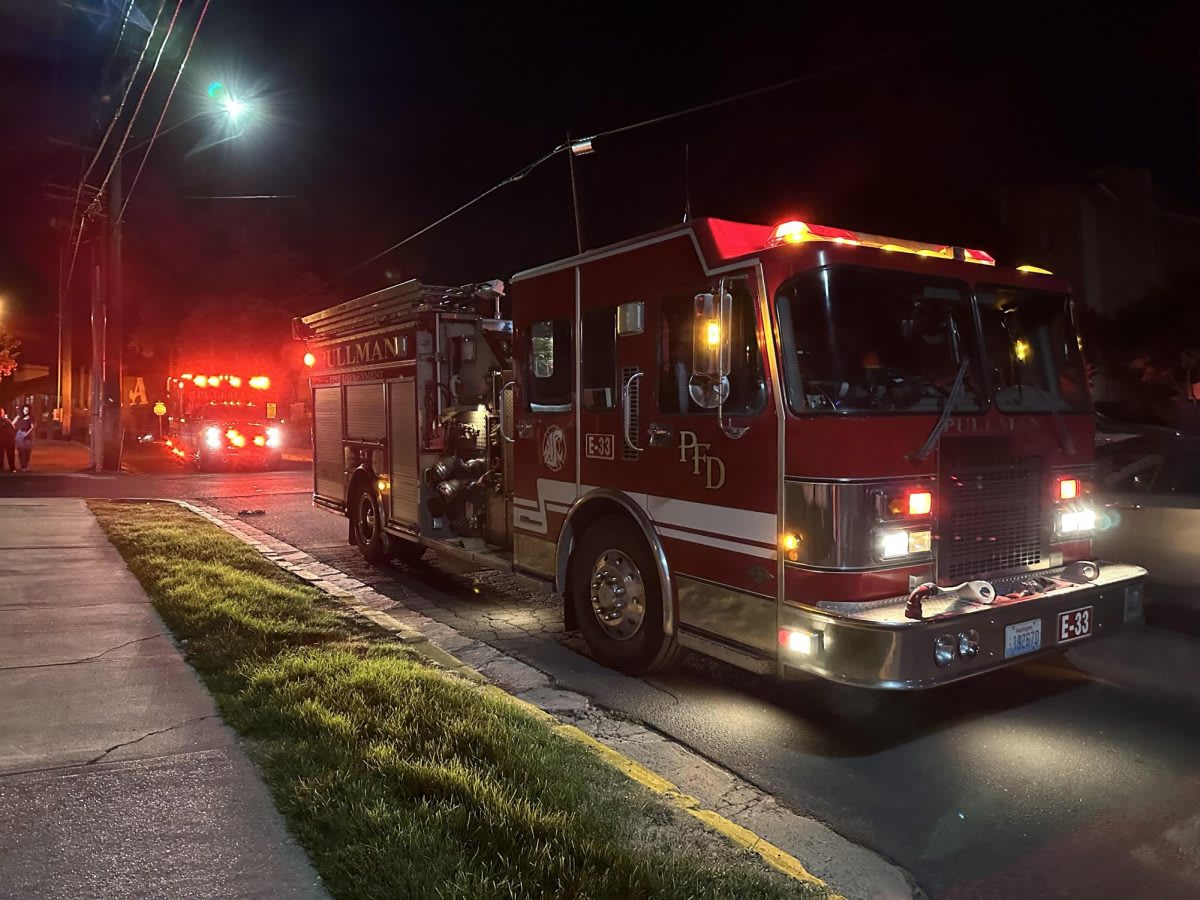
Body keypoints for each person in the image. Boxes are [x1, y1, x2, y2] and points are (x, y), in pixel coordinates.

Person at [13, 405, 33, 471]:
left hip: (27, 434)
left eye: (27, 410)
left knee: (27, 451)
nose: (25, 411)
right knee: (20, 450)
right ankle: (22, 465)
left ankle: (25, 465)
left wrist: (27, 434)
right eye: (24, 410)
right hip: (19, 434)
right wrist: (15, 430)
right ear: (22, 410)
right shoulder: (19, 417)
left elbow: (32, 427)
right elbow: (12, 424)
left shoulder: (30, 418)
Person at [0, 407, 14, 472]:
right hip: (4, 439)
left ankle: (12, 467)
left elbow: (13, 428)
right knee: (2, 454)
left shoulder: (7, 420)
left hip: (8, 439)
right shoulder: (6, 421)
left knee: (10, 454)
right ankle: (9, 467)